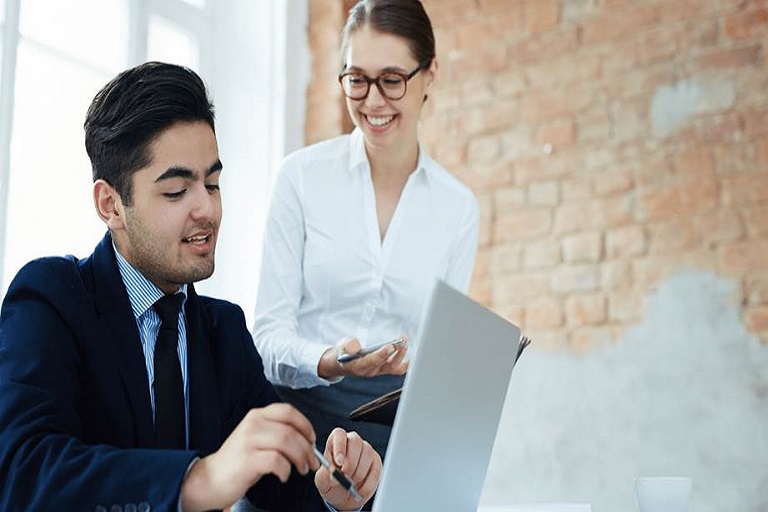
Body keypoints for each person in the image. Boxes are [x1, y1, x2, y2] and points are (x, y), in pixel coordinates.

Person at [0, 61, 381, 512]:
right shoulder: (51, 298)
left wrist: (334, 489)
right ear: (111, 205)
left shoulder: (224, 331)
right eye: (177, 191)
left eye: (213, 183)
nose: (208, 209)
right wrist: (198, 479)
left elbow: (287, 487)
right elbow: (24, 471)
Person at [253, 0, 479, 461]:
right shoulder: (300, 178)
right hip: (295, 431)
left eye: (392, 80)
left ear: (429, 75)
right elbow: (267, 338)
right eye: (357, 79)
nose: (373, 101)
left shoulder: (458, 209)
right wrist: (328, 361)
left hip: (393, 440)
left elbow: (438, 358)